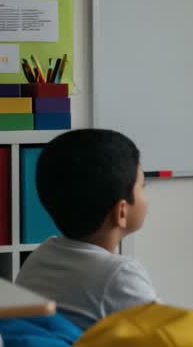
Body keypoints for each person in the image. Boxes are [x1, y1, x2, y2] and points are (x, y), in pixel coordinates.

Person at [16, 128, 157, 330]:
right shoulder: (119, 275)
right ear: (122, 212)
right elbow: (165, 339)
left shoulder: (40, 257)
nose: (145, 194)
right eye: (142, 186)